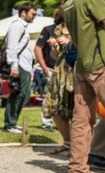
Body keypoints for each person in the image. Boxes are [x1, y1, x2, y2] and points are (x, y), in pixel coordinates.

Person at [63, 0, 105, 173]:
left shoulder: (68, 5)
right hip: (102, 62)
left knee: (81, 121)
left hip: (82, 66)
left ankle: (78, 170)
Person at [42, 7, 75, 155]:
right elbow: (55, 56)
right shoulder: (58, 29)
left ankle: (81, 146)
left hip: (76, 70)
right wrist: (55, 47)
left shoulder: (82, 27)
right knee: (54, 107)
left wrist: (69, 43)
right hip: (60, 71)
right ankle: (67, 142)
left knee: (78, 110)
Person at [3, 2, 37, 134]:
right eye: (33, 14)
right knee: (18, 94)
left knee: (25, 94)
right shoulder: (17, 26)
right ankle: (10, 123)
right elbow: (11, 47)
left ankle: (13, 122)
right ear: (23, 13)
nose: (34, 16)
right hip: (19, 65)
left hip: (25, 65)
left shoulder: (22, 26)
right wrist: (14, 66)